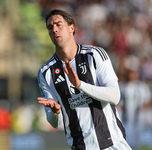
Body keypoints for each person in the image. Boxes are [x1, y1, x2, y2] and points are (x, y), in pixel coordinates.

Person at [37, 9, 132, 150]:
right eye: (50, 27)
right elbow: (54, 123)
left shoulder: (94, 55)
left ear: (71, 28)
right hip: (81, 147)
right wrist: (56, 112)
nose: (54, 30)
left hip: (113, 144)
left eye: (58, 24)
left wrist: (80, 85)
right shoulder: (46, 72)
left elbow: (115, 96)